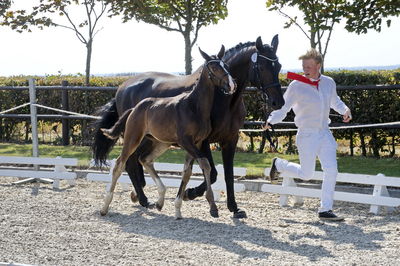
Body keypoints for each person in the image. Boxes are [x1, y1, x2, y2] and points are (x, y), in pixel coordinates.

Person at [264, 48, 352, 221]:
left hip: (324, 133)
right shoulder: (296, 85)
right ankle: (279, 164)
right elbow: (283, 108)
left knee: (332, 170)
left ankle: (325, 209)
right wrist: (270, 120)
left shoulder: (328, 82)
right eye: (304, 66)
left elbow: (335, 101)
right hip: (306, 134)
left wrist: (345, 110)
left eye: (309, 66)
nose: (305, 69)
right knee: (306, 174)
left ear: (318, 65)